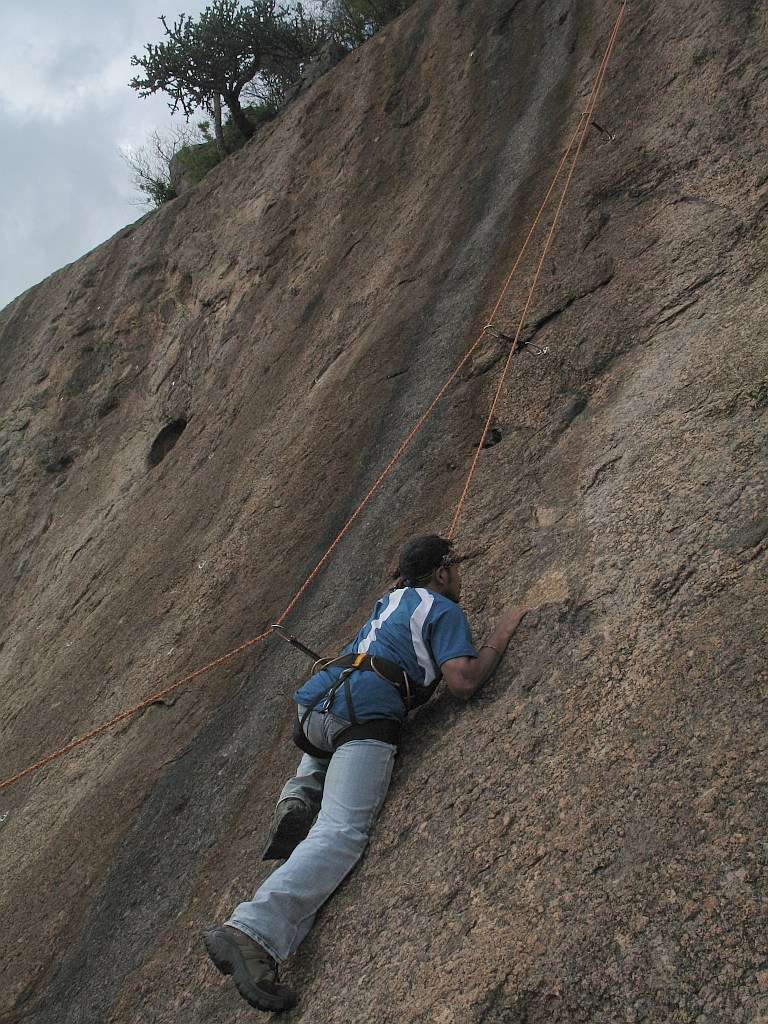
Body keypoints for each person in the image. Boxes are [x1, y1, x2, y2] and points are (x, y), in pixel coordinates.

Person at [204, 535, 530, 1013]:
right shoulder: (442, 608)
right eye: (454, 568)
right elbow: (462, 681)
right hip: (366, 713)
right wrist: (503, 633)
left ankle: (298, 794)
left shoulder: (389, 602)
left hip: (317, 706)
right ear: (441, 573)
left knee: (329, 736)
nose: (459, 576)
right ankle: (252, 931)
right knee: (340, 831)